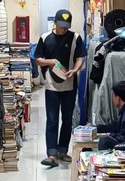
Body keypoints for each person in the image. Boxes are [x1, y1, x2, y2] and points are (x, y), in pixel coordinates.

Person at [35, 9, 87, 168]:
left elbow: (80, 57)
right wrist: (49, 62)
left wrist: (76, 69)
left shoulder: (75, 37)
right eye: (61, 25)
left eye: (66, 26)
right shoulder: (45, 38)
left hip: (70, 85)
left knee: (67, 119)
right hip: (51, 85)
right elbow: (37, 59)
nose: (64, 29)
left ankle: (63, 151)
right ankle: (52, 154)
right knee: (52, 120)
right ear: (55, 22)